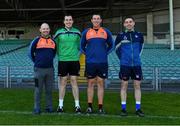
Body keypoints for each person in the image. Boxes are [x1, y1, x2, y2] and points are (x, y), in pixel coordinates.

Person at [80, 14, 114, 114]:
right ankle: (89, 107)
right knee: (90, 84)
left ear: (101, 20)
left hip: (102, 62)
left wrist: (105, 53)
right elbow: (81, 46)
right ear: (91, 20)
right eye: (94, 19)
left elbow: (111, 45)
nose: (96, 20)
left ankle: (100, 107)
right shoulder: (86, 32)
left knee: (100, 84)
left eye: (98, 19)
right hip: (90, 62)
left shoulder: (106, 31)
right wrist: (88, 54)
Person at [115, 16, 145, 117]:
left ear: (134, 23)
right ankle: (123, 109)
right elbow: (116, 49)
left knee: (137, 86)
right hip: (125, 65)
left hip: (137, 65)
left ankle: (138, 109)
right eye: (126, 22)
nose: (128, 23)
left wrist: (136, 58)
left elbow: (141, 48)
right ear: (124, 24)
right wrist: (123, 59)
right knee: (124, 86)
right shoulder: (120, 36)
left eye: (130, 22)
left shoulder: (139, 35)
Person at [54, 15, 81, 113]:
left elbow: (80, 46)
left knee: (74, 81)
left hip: (74, 60)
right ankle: (60, 106)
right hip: (63, 60)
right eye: (66, 20)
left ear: (72, 21)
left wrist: (76, 55)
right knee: (63, 82)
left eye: (70, 20)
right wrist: (61, 55)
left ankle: (77, 106)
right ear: (64, 22)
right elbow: (55, 46)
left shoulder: (77, 32)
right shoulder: (59, 32)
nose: (68, 21)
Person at [28, 23, 56, 114]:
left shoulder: (53, 41)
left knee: (49, 90)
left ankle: (49, 107)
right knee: (38, 89)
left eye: (47, 29)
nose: (45, 30)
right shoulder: (36, 41)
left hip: (50, 70)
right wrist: (36, 62)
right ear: (40, 30)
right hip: (38, 70)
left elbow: (54, 54)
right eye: (43, 29)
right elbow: (30, 53)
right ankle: (37, 108)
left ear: (49, 30)